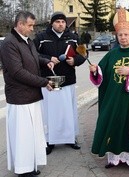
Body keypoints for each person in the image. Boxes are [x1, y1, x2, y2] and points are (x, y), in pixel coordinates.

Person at [89, 8, 129, 177]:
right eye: (120, 35)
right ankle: (115, 159)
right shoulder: (111, 54)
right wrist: (96, 70)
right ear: (117, 36)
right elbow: (102, 74)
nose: (123, 38)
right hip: (114, 101)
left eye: (126, 35)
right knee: (115, 127)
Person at [0, 11, 55, 176]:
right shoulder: (9, 43)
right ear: (20, 24)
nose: (32, 29)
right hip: (19, 98)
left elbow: (35, 57)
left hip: (32, 95)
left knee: (32, 134)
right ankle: (23, 170)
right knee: (22, 136)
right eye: (30, 25)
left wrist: (47, 62)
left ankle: (30, 164)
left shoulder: (27, 40)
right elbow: (17, 72)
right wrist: (44, 82)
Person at [33, 11, 86, 155]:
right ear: (52, 23)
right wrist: (48, 58)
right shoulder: (41, 38)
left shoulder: (74, 37)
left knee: (68, 111)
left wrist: (75, 60)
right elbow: (33, 55)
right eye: (57, 22)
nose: (61, 24)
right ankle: (50, 140)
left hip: (68, 80)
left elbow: (83, 53)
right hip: (51, 80)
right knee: (52, 111)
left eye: (63, 22)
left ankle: (70, 138)